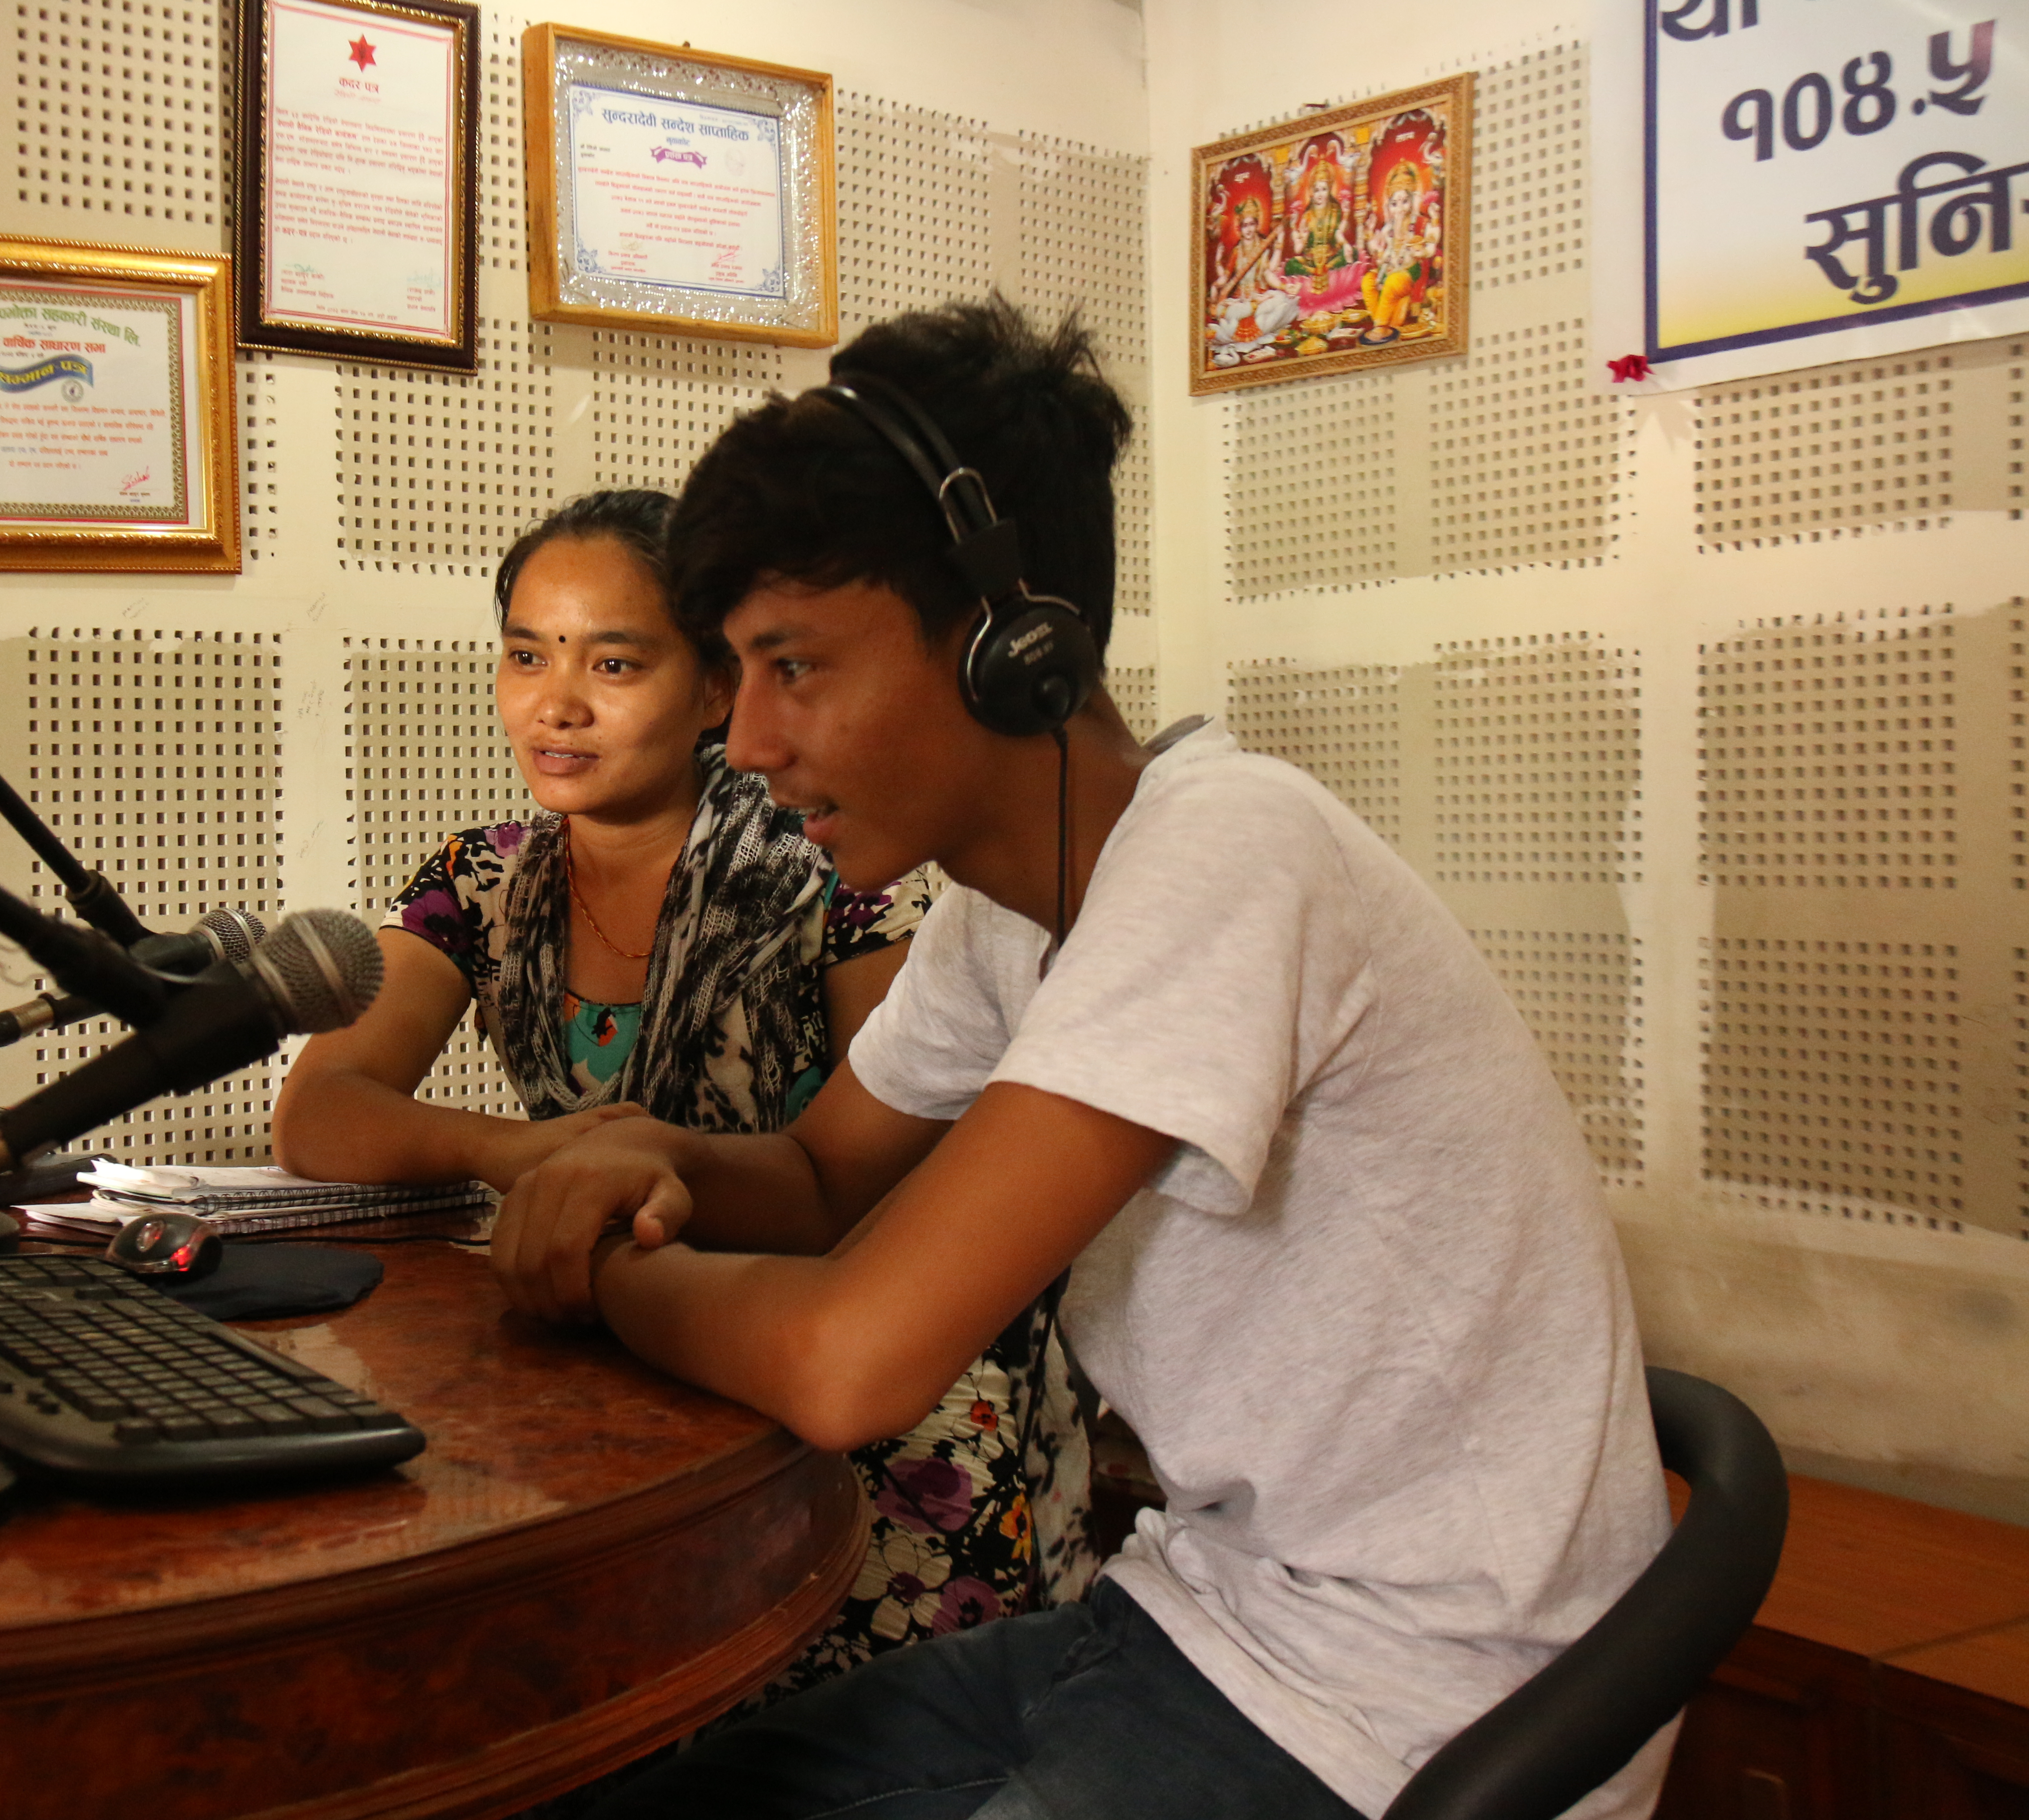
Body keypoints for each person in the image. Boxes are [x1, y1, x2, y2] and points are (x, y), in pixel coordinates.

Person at [483, 301, 1673, 1820]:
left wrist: (610, 1274)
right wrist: (640, 1157)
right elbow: (812, 1176)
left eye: (793, 666)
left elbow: (852, 1363)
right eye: (739, 673)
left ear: (1008, 642)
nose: (755, 740)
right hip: (1212, 1622)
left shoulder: (1231, 851)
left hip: (1424, 1694)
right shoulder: (1004, 913)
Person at [271, 489, 1099, 1694]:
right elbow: (323, 1111)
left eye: (614, 662)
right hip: (614, 1323)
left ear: (717, 689)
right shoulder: (483, 879)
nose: (555, 704)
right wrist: (531, 1156)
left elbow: (899, 1183)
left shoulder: (835, 865)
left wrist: (622, 1192)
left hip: (848, 1349)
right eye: (526, 656)